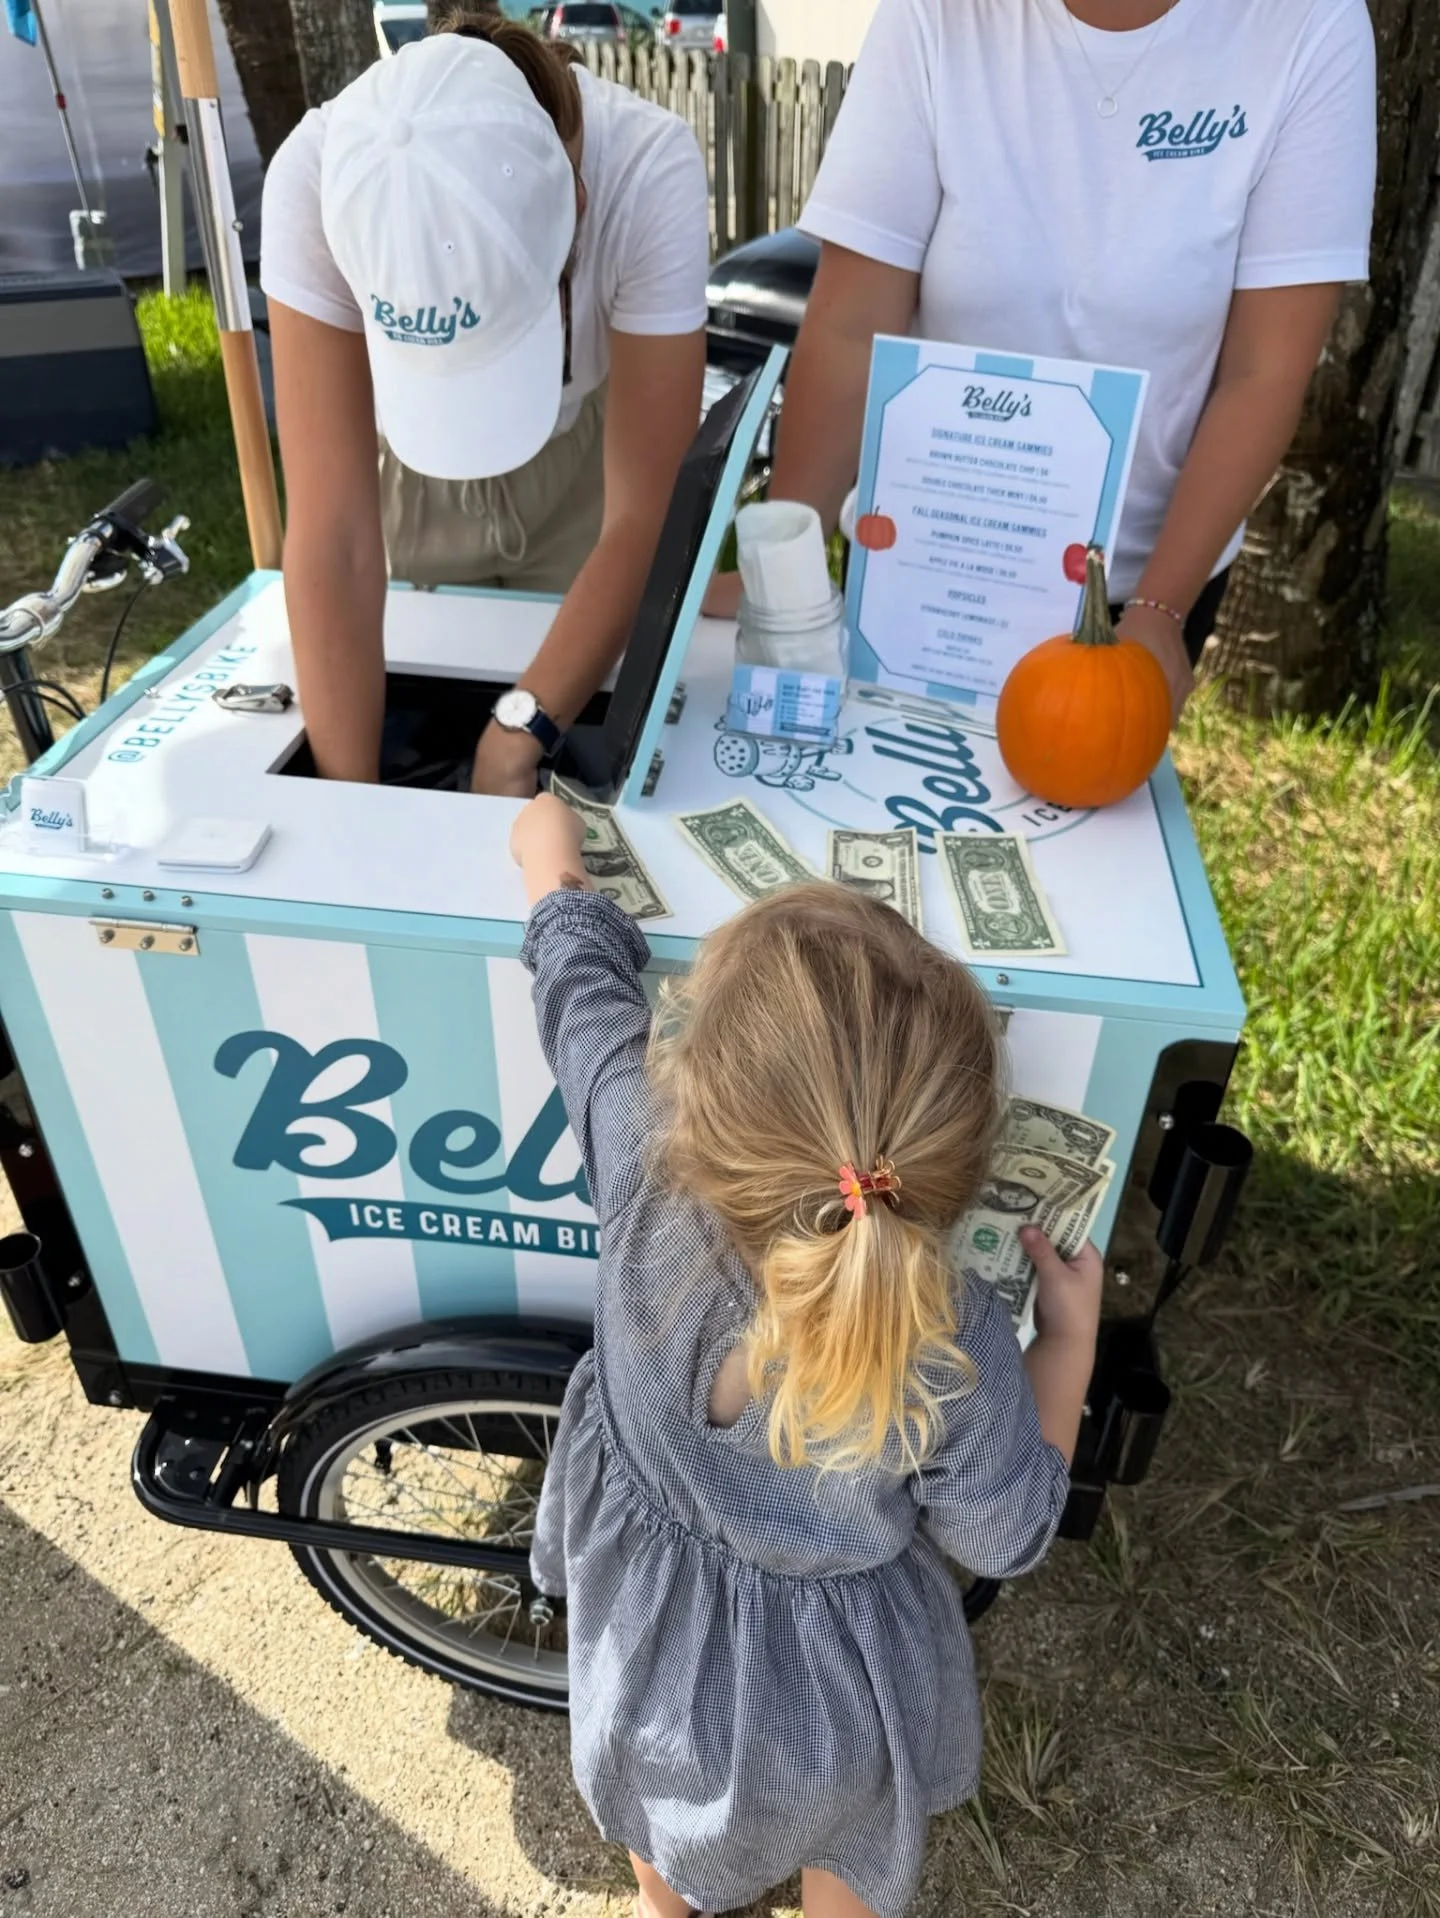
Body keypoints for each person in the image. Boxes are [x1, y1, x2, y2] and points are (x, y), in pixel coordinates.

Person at [510, 790, 1104, 1918]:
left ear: (698, 1095)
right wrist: (1068, 1343)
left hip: (647, 1654)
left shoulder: (640, 1154)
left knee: (656, 1805)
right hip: (845, 1700)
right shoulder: (954, 1335)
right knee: (853, 1832)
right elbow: (1002, 1534)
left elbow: (580, 1001)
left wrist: (551, 870)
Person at [711, 0, 1377, 719]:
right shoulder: (934, 15)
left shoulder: (1309, 24)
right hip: (918, 566)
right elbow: (852, 324)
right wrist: (780, 571)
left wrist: (1160, 611)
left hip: (1133, 593)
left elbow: (1264, 371)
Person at [259, 10, 710, 795]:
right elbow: (334, 535)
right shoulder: (315, 179)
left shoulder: (646, 167)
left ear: (577, 198)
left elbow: (644, 515)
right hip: (412, 474)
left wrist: (517, 734)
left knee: (584, 704)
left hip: (585, 470)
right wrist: (347, 803)